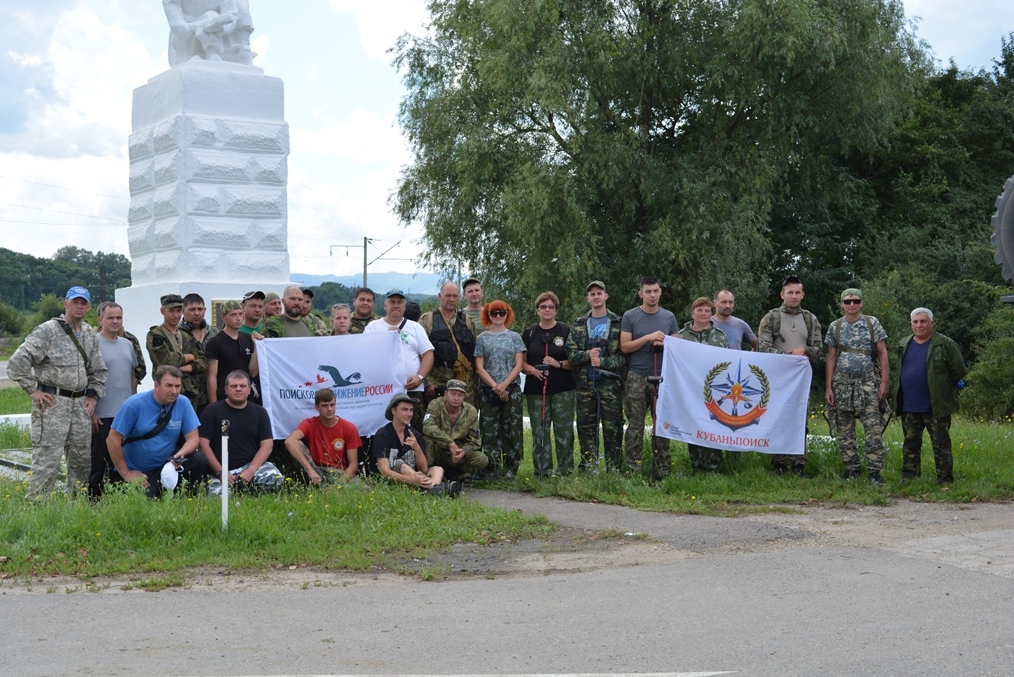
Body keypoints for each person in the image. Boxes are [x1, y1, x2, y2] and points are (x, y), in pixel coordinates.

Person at [8, 286, 107, 499]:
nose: (79, 306)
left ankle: (76, 507)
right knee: (47, 460)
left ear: (88, 306)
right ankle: (38, 507)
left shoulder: (90, 334)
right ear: (65, 304)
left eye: (83, 303)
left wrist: (93, 395)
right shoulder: (48, 330)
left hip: (80, 405)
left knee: (81, 461)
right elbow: (17, 363)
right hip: (53, 404)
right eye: (75, 302)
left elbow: (98, 369)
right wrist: (33, 391)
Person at [106, 365, 209, 498]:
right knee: (145, 507)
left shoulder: (183, 403)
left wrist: (179, 456)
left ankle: (184, 500)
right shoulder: (134, 405)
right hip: (139, 472)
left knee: (199, 460)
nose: (174, 391)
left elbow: (193, 438)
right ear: (156, 385)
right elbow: (112, 440)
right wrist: (126, 474)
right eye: (169, 385)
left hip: (167, 466)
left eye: (178, 386)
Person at [756, 275, 822, 476]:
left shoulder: (810, 319)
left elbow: (819, 348)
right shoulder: (771, 318)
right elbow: (763, 346)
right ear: (782, 294)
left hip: (800, 379)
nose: (794, 296)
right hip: (776, 377)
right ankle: (778, 463)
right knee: (777, 417)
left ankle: (799, 463)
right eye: (790, 292)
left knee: (800, 418)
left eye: (797, 293)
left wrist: (804, 351)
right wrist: (786, 357)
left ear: (802, 295)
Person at [893, 307, 967, 484]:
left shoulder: (945, 344)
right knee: (910, 444)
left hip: (936, 405)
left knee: (941, 444)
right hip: (909, 404)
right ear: (911, 324)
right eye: (915, 322)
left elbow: (958, 370)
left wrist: (942, 387)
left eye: (923, 321)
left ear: (932, 323)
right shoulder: (903, 344)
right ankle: (909, 478)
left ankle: (945, 480)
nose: (919, 325)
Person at [825, 288, 890, 484]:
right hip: (842, 384)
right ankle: (851, 469)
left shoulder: (872, 323)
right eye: (847, 301)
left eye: (855, 301)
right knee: (845, 429)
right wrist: (828, 387)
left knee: (873, 428)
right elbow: (831, 357)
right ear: (842, 304)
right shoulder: (835, 326)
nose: (851, 305)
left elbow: (883, 353)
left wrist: (884, 383)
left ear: (861, 303)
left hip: (868, 383)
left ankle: (874, 472)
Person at [620, 276, 680, 480]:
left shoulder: (669, 317)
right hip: (637, 376)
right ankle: (633, 470)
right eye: (648, 291)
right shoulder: (630, 316)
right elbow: (625, 346)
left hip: (662, 376)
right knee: (635, 425)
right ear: (641, 294)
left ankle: (663, 471)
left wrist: (665, 343)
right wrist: (647, 338)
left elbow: (677, 346)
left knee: (661, 424)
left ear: (660, 292)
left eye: (655, 291)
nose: (652, 295)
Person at [566, 280, 627, 472]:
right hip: (585, 384)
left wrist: (604, 362)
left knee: (613, 427)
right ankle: (588, 466)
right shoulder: (578, 324)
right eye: (592, 294)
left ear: (606, 296)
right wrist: (588, 355)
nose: (596, 297)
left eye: (599, 293)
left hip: (610, 384)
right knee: (585, 427)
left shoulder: (619, 322)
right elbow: (571, 353)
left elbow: (625, 356)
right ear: (588, 299)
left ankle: (613, 468)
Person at [200, 370, 282, 495]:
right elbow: (202, 444)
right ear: (226, 389)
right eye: (234, 386)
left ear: (249, 389)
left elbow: (267, 445)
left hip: (251, 466)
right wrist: (221, 472)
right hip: (220, 470)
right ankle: (238, 490)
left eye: (242, 386)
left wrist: (251, 470)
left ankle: (248, 489)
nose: (238, 389)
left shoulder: (260, 412)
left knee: (275, 479)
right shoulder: (212, 411)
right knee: (219, 497)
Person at [521, 291, 576, 478]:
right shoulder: (529, 333)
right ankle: (542, 472)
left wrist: (558, 364)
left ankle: (565, 471)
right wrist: (533, 370)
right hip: (537, 391)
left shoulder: (566, 331)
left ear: (556, 309)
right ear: (537, 310)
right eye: (543, 306)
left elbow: (575, 361)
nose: (547, 310)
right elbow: (521, 363)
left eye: (550, 306)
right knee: (540, 431)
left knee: (564, 432)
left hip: (563, 389)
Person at [363, 289, 435, 429]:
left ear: (404, 306)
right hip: (383, 390)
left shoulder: (415, 327)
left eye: (400, 302)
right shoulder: (373, 327)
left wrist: (420, 377)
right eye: (392, 302)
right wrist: (385, 338)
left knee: (414, 429)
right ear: (385, 306)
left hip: (412, 389)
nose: (396, 305)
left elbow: (428, 354)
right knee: (383, 429)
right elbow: (366, 354)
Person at [89, 302, 139, 497]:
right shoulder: (93, 344)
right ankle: (94, 498)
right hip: (102, 414)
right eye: (111, 317)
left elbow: (133, 376)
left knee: (121, 460)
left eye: (118, 317)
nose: (115, 321)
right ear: (100, 320)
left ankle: (118, 497)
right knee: (99, 461)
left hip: (124, 414)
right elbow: (87, 378)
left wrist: (134, 406)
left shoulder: (127, 344)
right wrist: (92, 413)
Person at [473, 300, 526, 478]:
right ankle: (491, 469)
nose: (497, 316)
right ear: (487, 315)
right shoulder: (482, 339)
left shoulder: (515, 337)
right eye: (493, 313)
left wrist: (504, 385)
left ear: (507, 314)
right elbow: (479, 367)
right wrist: (495, 386)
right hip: (489, 391)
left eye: (501, 312)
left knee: (512, 431)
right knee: (490, 431)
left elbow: (519, 365)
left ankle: (511, 470)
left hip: (512, 390)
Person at [678, 297, 730, 472]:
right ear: (692, 313)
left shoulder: (720, 337)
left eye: (707, 310)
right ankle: (696, 464)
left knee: (714, 424)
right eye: (699, 310)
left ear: (711, 314)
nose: (703, 313)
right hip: (690, 390)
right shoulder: (681, 336)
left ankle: (714, 464)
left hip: (714, 391)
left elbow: (728, 362)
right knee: (694, 424)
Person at [372, 393, 453, 496]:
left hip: (416, 477)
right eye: (404, 410)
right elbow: (384, 471)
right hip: (395, 480)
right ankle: (438, 488)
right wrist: (412, 480)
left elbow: (423, 468)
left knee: (438, 469)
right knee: (400, 464)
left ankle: (431, 490)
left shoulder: (415, 434)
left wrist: (417, 448)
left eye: (411, 410)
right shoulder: (383, 435)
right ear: (393, 411)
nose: (409, 414)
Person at [284, 388, 362, 485]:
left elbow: (353, 464)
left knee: (364, 489)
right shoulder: (309, 423)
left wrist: (337, 487)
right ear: (317, 407)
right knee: (296, 444)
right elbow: (289, 441)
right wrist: (310, 470)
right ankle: (313, 484)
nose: (329, 409)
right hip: (315, 470)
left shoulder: (349, 427)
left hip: (338, 473)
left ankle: (326, 489)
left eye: (332, 405)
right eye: (325, 406)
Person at [147, 293, 208, 416]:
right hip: (166, 395)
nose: (176, 315)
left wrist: (182, 367)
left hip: (189, 394)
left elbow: (202, 362)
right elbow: (165, 361)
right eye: (171, 311)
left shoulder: (185, 335)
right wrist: (188, 357)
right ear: (162, 311)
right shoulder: (156, 335)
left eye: (179, 311)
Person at [419, 281, 479, 407]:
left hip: (464, 383)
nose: (451, 299)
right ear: (440, 296)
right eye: (448, 296)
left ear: (459, 297)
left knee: (464, 421)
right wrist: (428, 382)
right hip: (438, 382)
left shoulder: (468, 321)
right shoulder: (427, 320)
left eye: (455, 296)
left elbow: (474, 354)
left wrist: (474, 386)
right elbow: (419, 354)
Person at [423, 378, 487, 481]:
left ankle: (460, 474)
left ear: (464, 397)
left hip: (458, 451)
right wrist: (449, 442)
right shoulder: (436, 404)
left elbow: (475, 440)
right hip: (439, 449)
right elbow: (427, 426)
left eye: (460, 395)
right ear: (445, 394)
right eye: (453, 394)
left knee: (482, 459)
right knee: (427, 438)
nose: (456, 398)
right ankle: (430, 471)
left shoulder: (471, 411)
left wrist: (463, 452)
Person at [205, 300, 258, 404]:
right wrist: (214, 406)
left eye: (240, 314)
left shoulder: (247, 338)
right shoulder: (215, 342)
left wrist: (256, 347)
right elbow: (211, 377)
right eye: (233, 315)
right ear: (223, 318)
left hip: (245, 395)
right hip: (224, 396)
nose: (238, 318)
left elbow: (252, 372)